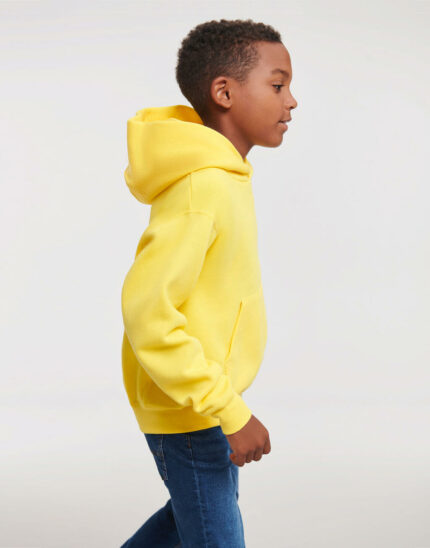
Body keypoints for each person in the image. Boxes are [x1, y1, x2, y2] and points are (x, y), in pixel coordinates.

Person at [119, 17, 298, 548]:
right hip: (191, 410)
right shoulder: (203, 189)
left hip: (202, 402)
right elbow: (148, 313)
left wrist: (224, 402)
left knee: (186, 522)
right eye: (277, 85)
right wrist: (229, 410)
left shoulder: (225, 178)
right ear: (224, 92)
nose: (291, 102)